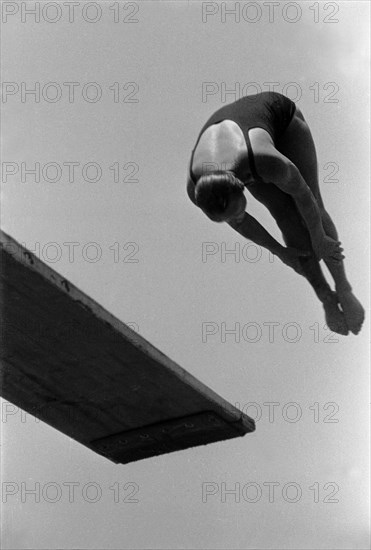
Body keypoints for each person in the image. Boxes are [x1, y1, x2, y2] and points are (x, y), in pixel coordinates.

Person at [187, 92, 364, 335]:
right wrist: (280, 251)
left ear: (242, 183)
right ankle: (325, 297)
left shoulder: (264, 160)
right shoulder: (198, 189)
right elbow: (240, 223)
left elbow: (305, 198)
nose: (239, 216)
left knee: (312, 209)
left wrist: (320, 240)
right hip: (237, 149)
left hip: (281, 122)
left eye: (241, 208)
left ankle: (344, 290)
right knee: (284, 216)